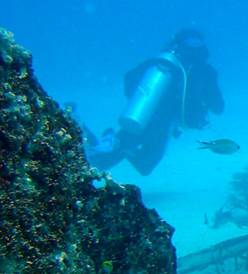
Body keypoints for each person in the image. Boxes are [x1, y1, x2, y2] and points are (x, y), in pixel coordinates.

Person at [86, 29, 225, 175]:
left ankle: (92, 133)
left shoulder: (159, 63)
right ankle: (113, 141)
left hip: (141, 113)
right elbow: (218, 107)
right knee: (145, 165)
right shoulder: (204, 70)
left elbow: (130, 81)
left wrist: (144, 101)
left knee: (100, 162)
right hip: (162, 122)